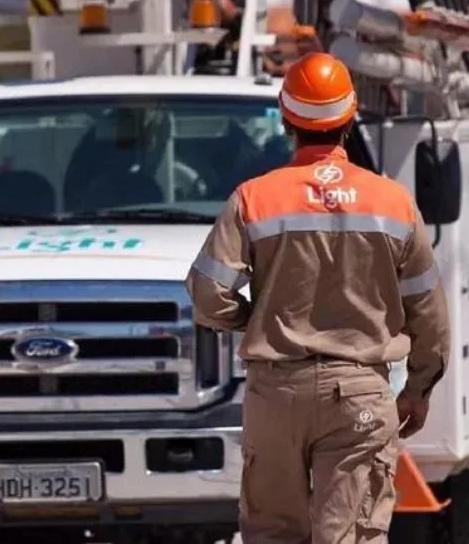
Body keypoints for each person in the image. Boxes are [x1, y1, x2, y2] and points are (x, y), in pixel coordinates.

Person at [185, 52, 450, 544]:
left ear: (288, 120)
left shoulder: (254, 198)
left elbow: (206, 293)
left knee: (272, 534)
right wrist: (419, 387)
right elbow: (428, 310)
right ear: (350, 118)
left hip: (275, 393)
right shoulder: (392, 202)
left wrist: (254, 319)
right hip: (360, 394)